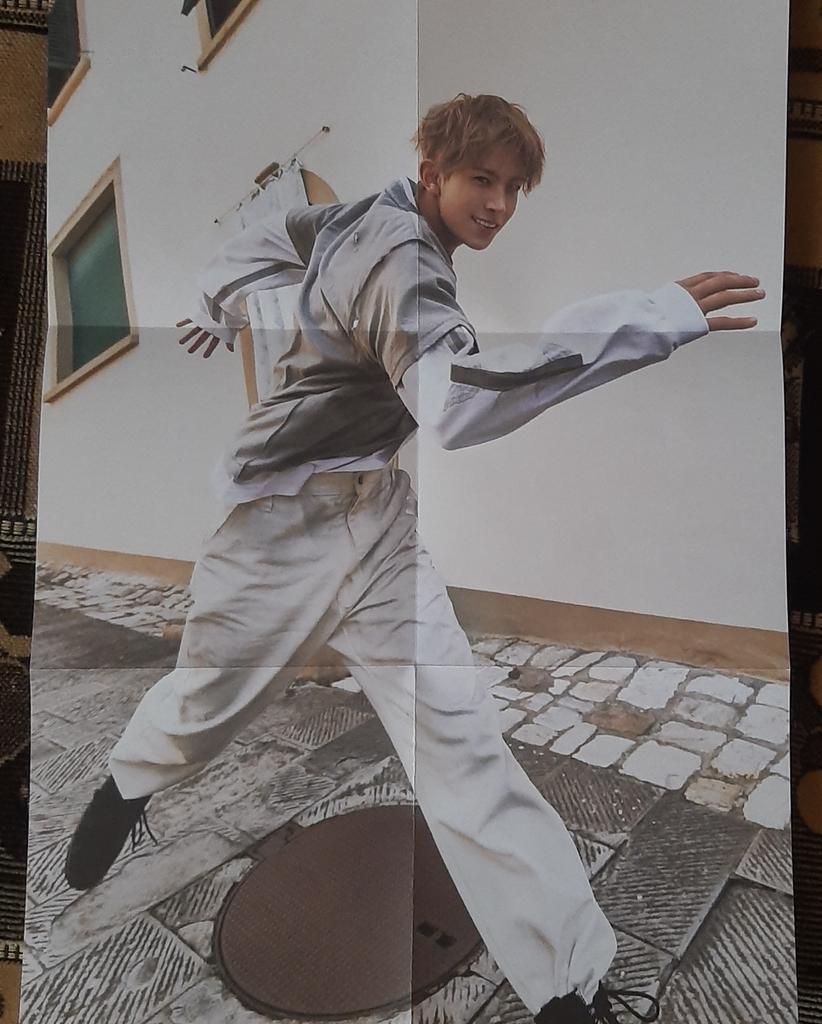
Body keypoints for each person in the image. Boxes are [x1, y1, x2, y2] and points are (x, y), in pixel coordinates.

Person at [63, 94, 764, 1023]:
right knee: (203, 703)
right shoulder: (400, 256)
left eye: (514, 188)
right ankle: (126, 785)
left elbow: (271, 237)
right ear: (432, 172)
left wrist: (211, 301)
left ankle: (567, 985)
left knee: (461, 742)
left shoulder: (350, 218)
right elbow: (457, 402)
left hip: (379, 525)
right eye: (482, 179)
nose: (499, 205)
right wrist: (649, 318)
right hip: (275, 533)